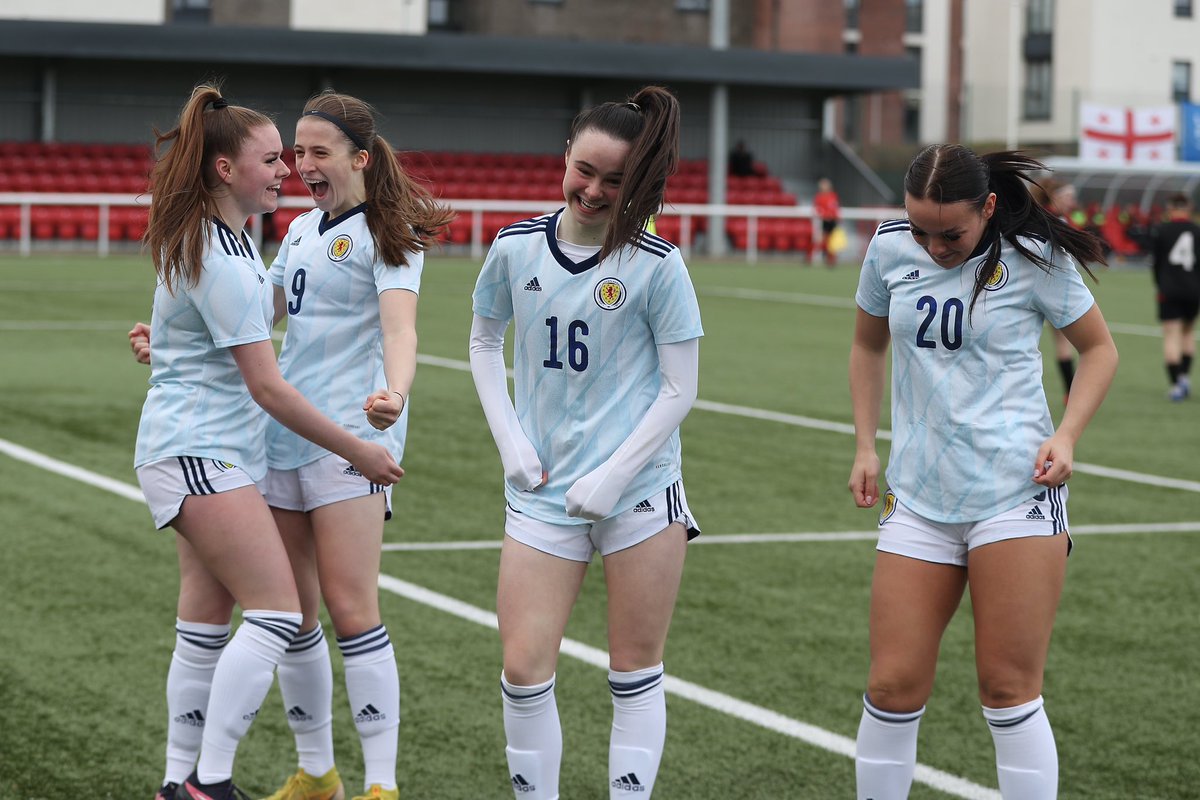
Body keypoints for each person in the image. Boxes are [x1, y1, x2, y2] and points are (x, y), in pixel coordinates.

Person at [130, 84, 403, 800]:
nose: (287, 168)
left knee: (205, 617)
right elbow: (269, 388)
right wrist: (360, 448)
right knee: (281, 612)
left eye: (302, 154)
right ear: (227, 170)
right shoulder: (223, 253)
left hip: (198, 449)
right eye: (275, 157)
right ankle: (208, 785)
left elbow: (221, 332)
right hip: (203, 452)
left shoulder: (233, 240)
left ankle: (174, 783)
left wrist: (166, 344)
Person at [847, 145, 1118, 800]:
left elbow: (1099, 351)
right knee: (891, 686)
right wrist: (864, 445)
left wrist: (1067, 435)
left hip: (1015, 494)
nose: (934, 247)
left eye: (952, 234)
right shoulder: (887, 251)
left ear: (988, 208)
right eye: (920, 230)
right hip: (918, 498)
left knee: (1006, 691)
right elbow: (866, 342)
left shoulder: (1034, 257)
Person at [468, 85, 703, 800]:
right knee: (523, 667)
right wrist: (510, 442)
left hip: (638, 497)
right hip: (541, 495)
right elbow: (483, 340)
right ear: (565, 155)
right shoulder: (514, 247)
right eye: (586, 170)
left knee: (633, 672)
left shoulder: (658, 265)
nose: (594, 190)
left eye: (616, 180)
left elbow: (678, 387)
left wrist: (612, 476)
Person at [260, 91, 453, 800]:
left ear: (360, 158)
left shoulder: (387, 230)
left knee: (352, 609)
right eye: (296, 152)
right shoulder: (300, 232)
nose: (301, 164)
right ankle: (318, 772)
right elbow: (257, 314)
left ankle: (381, 786)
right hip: (282, 436)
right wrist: (177, 339)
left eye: (318, 152)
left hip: (350, 443)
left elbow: (401, 331)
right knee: (292, 611)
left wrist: (394, 393)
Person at [1149, 193, 1200, 401]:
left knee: (1171, 335)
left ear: (1170, 207)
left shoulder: (1161, 230)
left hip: (1169, 290)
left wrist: (1159, 285)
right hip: (1194, 289)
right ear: (1188, 208)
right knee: (1188, 333)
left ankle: (1176, 384)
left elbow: (1156, 263)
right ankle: (1185, 378)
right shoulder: (1197, 231)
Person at [813, 177, 841, 266]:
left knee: (832, 240)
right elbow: (818, 209)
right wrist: (824, 215)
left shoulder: (833, 196)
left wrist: (834, 216)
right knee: (823, 240)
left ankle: (832, 258)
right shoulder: (819, 197)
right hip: (823, 222)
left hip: (832, 221)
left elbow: (835, 208)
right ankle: (820, 257)